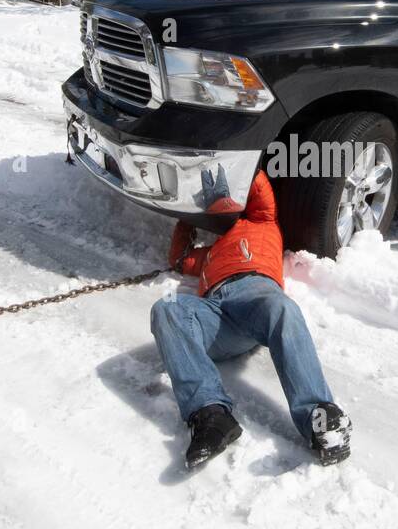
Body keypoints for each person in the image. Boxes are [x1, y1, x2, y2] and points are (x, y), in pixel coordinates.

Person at [149, 168, 351, 470]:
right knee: (166, 308)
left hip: (255, 295)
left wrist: (230, 164)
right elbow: (179, 259)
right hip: (218, 315)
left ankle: (319, 417)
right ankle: (210, 415)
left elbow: (260, 191)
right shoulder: (210, 253)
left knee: (281, 308)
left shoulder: (260, 221)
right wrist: (187, 218)